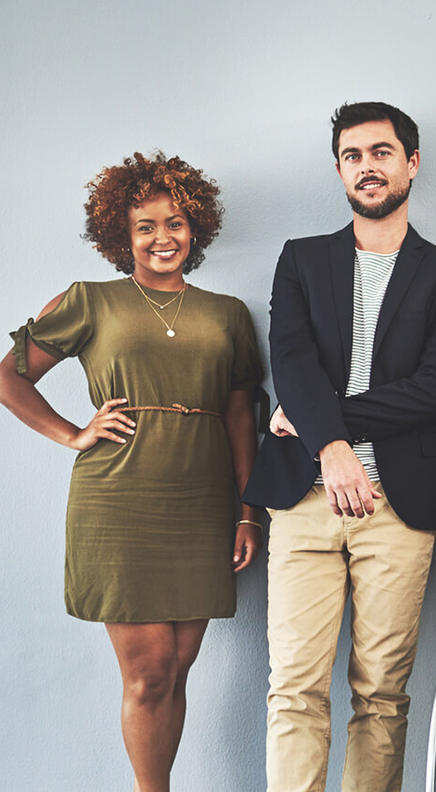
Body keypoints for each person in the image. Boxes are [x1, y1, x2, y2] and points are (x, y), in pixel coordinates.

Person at [0, 152, 262, 792]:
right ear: (122, 236)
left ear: (194, 227)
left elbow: (239, 414)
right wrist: (72, 433)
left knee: (179, 665)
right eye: (145, 226)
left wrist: (249, 510)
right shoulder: (91, 300)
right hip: (119, 498)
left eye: (174, 222)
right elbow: (9, 375)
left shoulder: (228, 313)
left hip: (203, 499)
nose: (162, 237)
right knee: (147, 672)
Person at [242, 101, 436, 792]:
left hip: (399, 508)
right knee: (294, 688)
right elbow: (291, 360)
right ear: (339, 170)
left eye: (381, 152)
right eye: (352, 155)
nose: (367, 167)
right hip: (303, 500)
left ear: (411, 162)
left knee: (382, 695)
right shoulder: (302, 260)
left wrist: (322, 423)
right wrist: (332, 451)